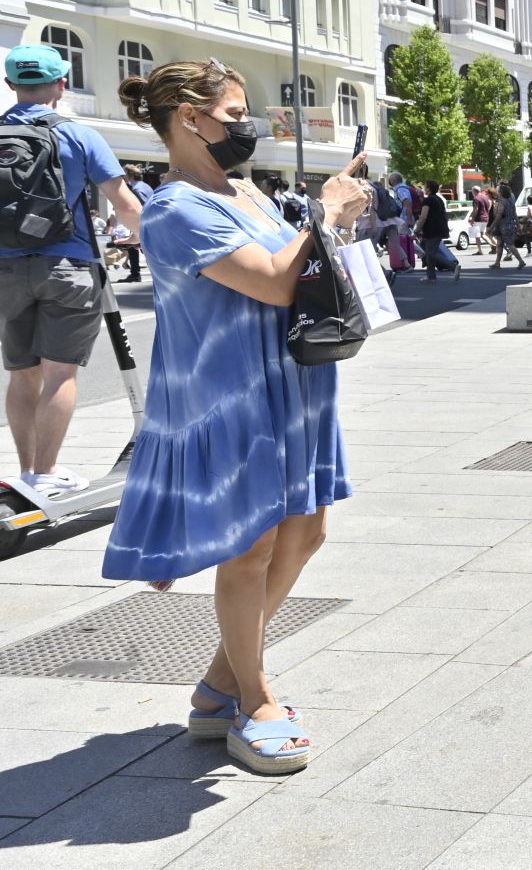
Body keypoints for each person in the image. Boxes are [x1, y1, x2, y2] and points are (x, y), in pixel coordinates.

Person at [104, 58, 371, 775]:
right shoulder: (175, 208)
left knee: (307, 534)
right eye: (234, 115)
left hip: (295, 384)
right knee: (251, 548)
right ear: (189, 119)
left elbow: (302, 267)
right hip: (231, 391)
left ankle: (218, 685)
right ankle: (254, 701)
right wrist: (326, 214)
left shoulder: (246, 191)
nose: (247, 127)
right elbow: (277, 283)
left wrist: (335, 225)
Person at [2, 44, 146, 496]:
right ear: (62, 84)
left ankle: (28, 472)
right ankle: (45, 473)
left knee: (22, 373)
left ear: (10, 84)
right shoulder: (79, 135)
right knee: (59, 373)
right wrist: (153, 242)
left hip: (5, 270)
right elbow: (125, 204)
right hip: (69, 266)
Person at [416, 181, 460, 281]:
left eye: (425, 186)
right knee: (427, 250)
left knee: (431, 253)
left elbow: (423, 216)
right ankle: (431, 276)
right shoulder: (439, 199)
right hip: (439, 228)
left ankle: (453, 267)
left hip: (431, 230)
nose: (424, 188)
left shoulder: (428, 200)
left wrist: (417, 229)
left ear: (428, 189)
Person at [490, 183, 526, 268]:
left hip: (504, 226)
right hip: (510, 225)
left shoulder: (502, 202)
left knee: (509, 244)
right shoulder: (511, 202)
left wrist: (491, 226)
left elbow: (499, 216)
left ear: (501, 192)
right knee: (500, 244)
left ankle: (521, 261)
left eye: (498, 191)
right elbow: (515, 214)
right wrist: (518, 225)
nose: (497, 192)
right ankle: (497, 263)